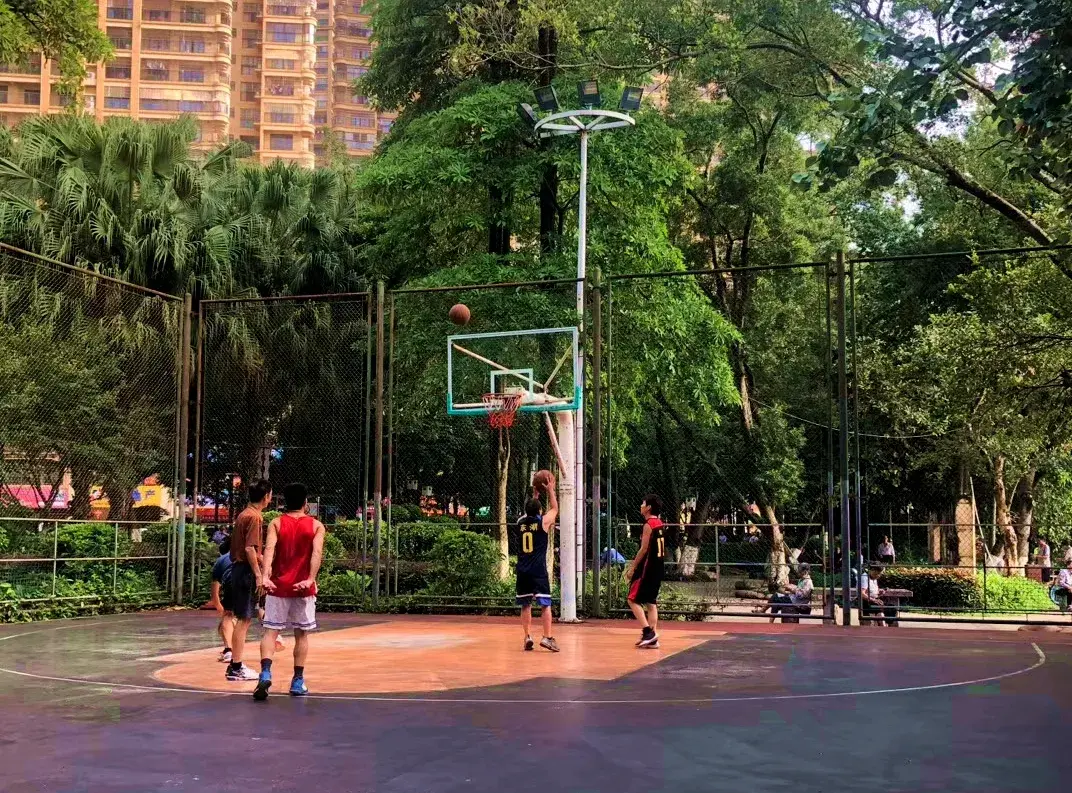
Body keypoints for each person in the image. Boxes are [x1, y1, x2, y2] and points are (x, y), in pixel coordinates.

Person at [254, 482, 326, 700]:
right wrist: (310, 579)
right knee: (301, 634)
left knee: (270, 631)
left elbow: (269, 549)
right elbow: (316, 553)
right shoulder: (316, 526)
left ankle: (265, 672)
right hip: (303, 588)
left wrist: (265, 577)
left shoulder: (276, 523)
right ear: (306, 502)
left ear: (285, 502)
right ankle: (297, 680)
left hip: (278, 586)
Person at [224, 478, 272, 682]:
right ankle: (235, 667)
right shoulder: (254, 517)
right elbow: (250, 548)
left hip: (238, 569)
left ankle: (235, 665)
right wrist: (259, 574)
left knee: (242, 618)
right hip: (245, 571)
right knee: (243, 619)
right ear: (266, 496)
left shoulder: (244, 514)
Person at [515, 475, 559, 653]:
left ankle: (527, 636)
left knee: (526, 604)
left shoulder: (520, 522)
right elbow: (555, 509)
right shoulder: (543, 522)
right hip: (538, 570)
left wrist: (535, 496)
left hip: (522, 570)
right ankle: (547, 637)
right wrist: (550, 490)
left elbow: (530, 512)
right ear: (540, 511)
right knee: (545, 604)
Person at [626, 494, 666, 649]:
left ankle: (647, 632)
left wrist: (633, 567)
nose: (641, 506)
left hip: (647, 568)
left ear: (648, 507)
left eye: (643, 503)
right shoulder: (659, 523)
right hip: (658, 567)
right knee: (651, 602)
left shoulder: (649, 525)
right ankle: (652, 638)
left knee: (632, 599)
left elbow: (643, 549)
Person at [210, 537, 234, 663]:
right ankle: (274, 633)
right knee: (258, 609)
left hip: (232, 583)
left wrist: (218, 605)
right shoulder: (251, 553)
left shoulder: (221, 560)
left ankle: (229, 650)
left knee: (228, 616)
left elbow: (215, 589)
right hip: (250, 582)